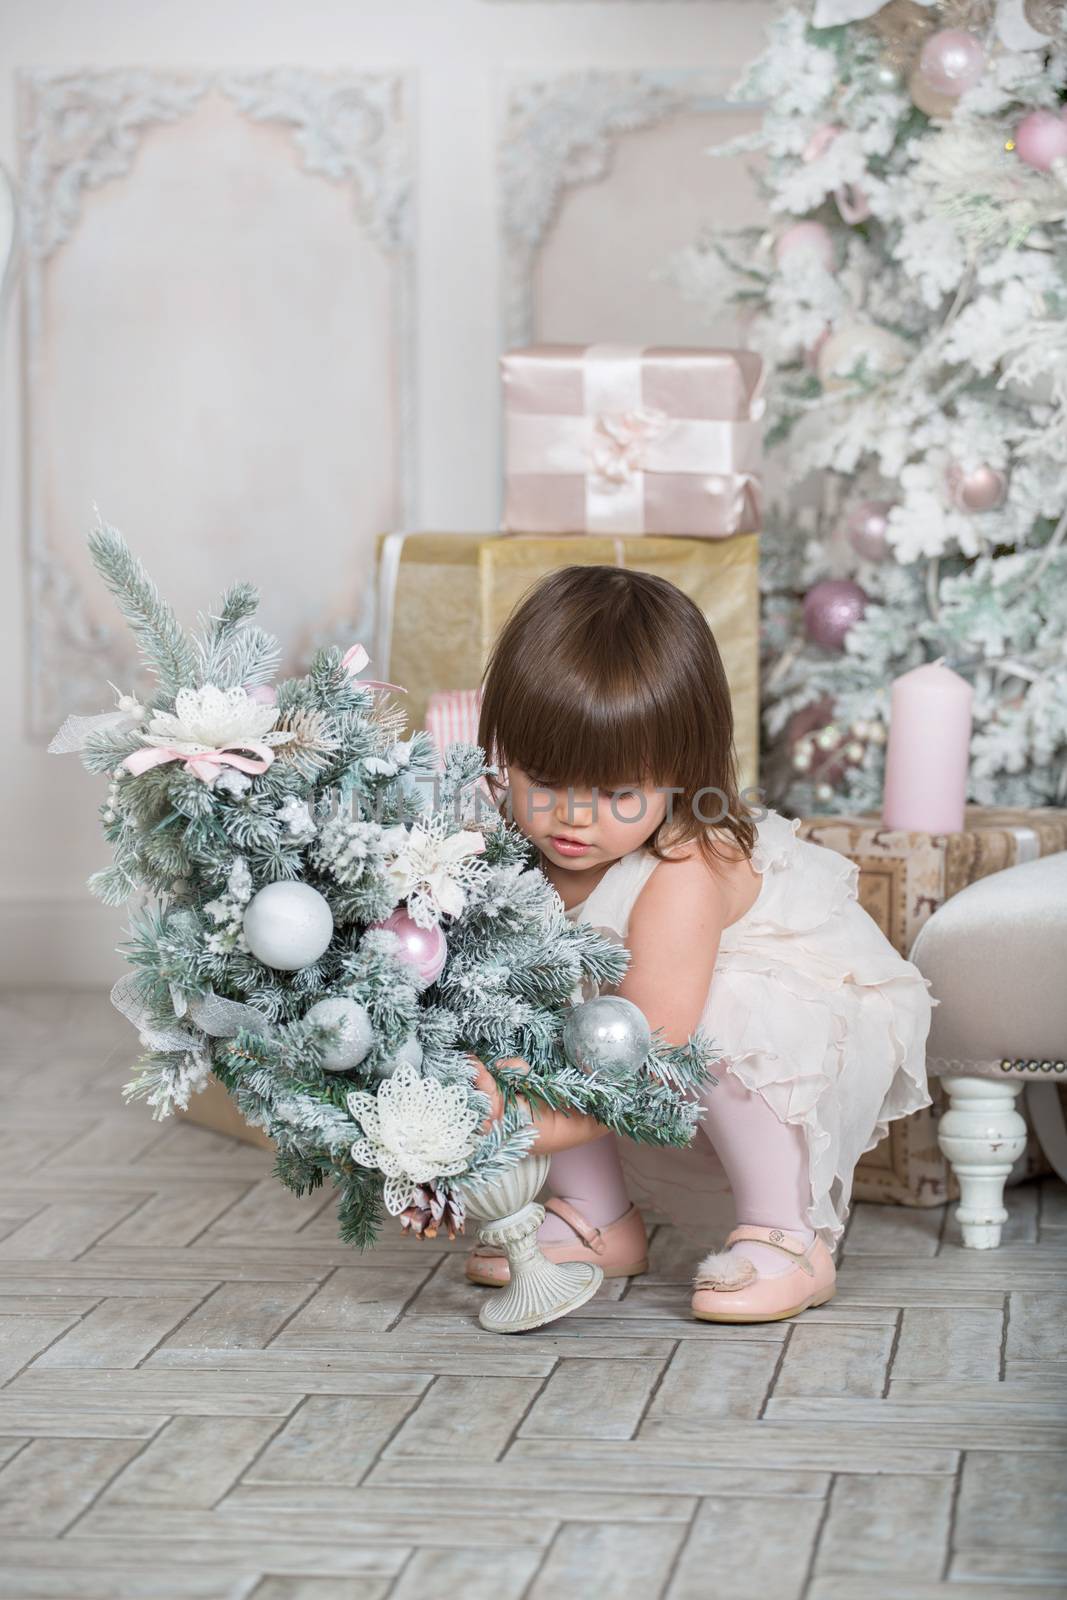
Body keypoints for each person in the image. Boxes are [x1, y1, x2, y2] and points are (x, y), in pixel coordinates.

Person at [464, 564, 934, 1323]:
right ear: (503, 752)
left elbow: (647, 1050)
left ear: (679, 777)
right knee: (529, 1005)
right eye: (545, 778)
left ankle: (788, 1233)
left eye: (618, 793)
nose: (573, 819)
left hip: (771, 1023)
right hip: (632, 1037)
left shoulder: (685, 867)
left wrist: (529, 1120)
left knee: (724, 1015)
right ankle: (596, 1216)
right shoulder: (513, 852)